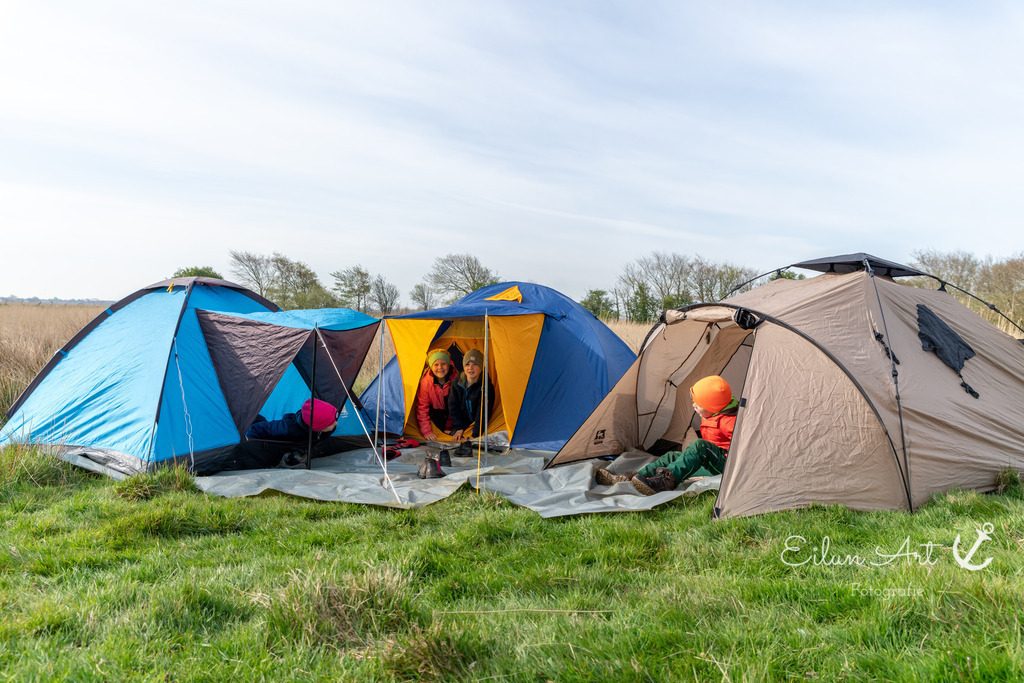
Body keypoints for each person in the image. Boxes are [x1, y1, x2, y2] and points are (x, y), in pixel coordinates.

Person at [594, 375, 738, 495]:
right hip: (711, 462)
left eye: (698, 404)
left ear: (712, 407)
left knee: (699, 446)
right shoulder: (711, 413)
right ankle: (636, 476)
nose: (694, 406)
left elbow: (745, 446)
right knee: (673, 456)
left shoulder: (730, 422)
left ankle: (665, 483)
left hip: (726, 464)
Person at [448, 348, 496, 444]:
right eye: (467, 364)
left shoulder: (485, 385)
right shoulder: (457, 382)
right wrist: (459, 427)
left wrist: (475, 435)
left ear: (481, 366)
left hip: (480, 424)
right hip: (463, 423)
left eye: (475, 364)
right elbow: (453, 405)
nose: (471, 368)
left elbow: (483, 412)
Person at [245, 398, 338, 442]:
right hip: (261, 432)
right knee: (255, 421)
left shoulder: (328, 428)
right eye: (331, 423)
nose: (336, 423)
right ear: (317, 427)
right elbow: (255, 429)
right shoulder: (287, 428)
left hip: (300, 438)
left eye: (335, 420)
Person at [415, 349, 456, 441]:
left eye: (443, 364)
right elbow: (422, 408)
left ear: (449, 365)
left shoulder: (455, 379)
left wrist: (449, 427)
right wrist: (427, 432)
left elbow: (456, 405)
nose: (440, 367)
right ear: (430, 366)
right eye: (436, 364)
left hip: (453, 416)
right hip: (435, 415)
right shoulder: (426, 382)